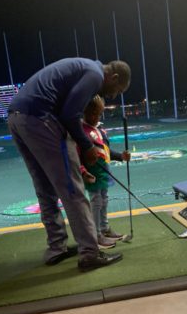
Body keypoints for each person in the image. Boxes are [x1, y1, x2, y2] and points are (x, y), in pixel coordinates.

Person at [7, 57, 131, 272]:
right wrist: (87, 146)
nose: (111, 96)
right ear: (114, 77)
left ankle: (57, 248)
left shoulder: (82, 66)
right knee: (73, 188)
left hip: (17, 118)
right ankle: (90, 254)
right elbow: (70, 114)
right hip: (40, 119)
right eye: (116, 90)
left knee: (45, 188)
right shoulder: (95, 74)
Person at [80, 95, 131, 249]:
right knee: (96, 202)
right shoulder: (81, 131)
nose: (96, 117)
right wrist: (83, 171)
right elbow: (76, 156)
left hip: (103, 172)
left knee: (104, 199)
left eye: (99, 114)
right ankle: (96, 235)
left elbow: (105, 151)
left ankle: (104, 229)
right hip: (92, 173)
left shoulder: (100, 130)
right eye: (93, 114)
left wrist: (121, 156)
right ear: (84, 112)